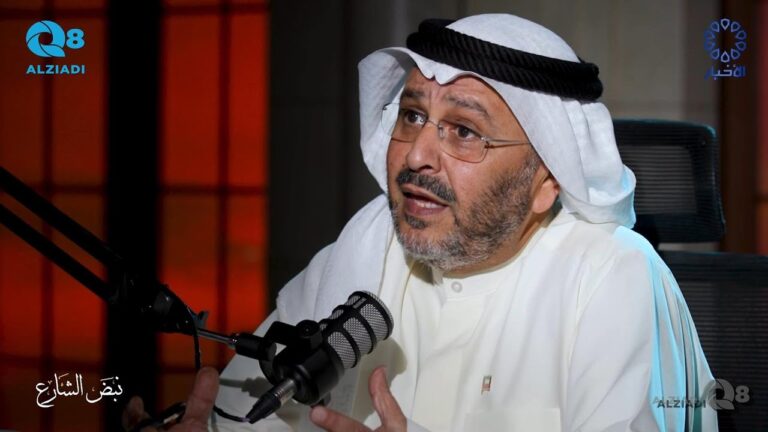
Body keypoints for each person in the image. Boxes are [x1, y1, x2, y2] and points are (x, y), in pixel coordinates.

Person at [127, 13, 718, 432]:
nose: (415, 155)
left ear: (547, 181)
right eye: (411, 116)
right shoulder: (367, 244)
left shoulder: (611, 276)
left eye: (463, 131)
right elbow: (247, 413)